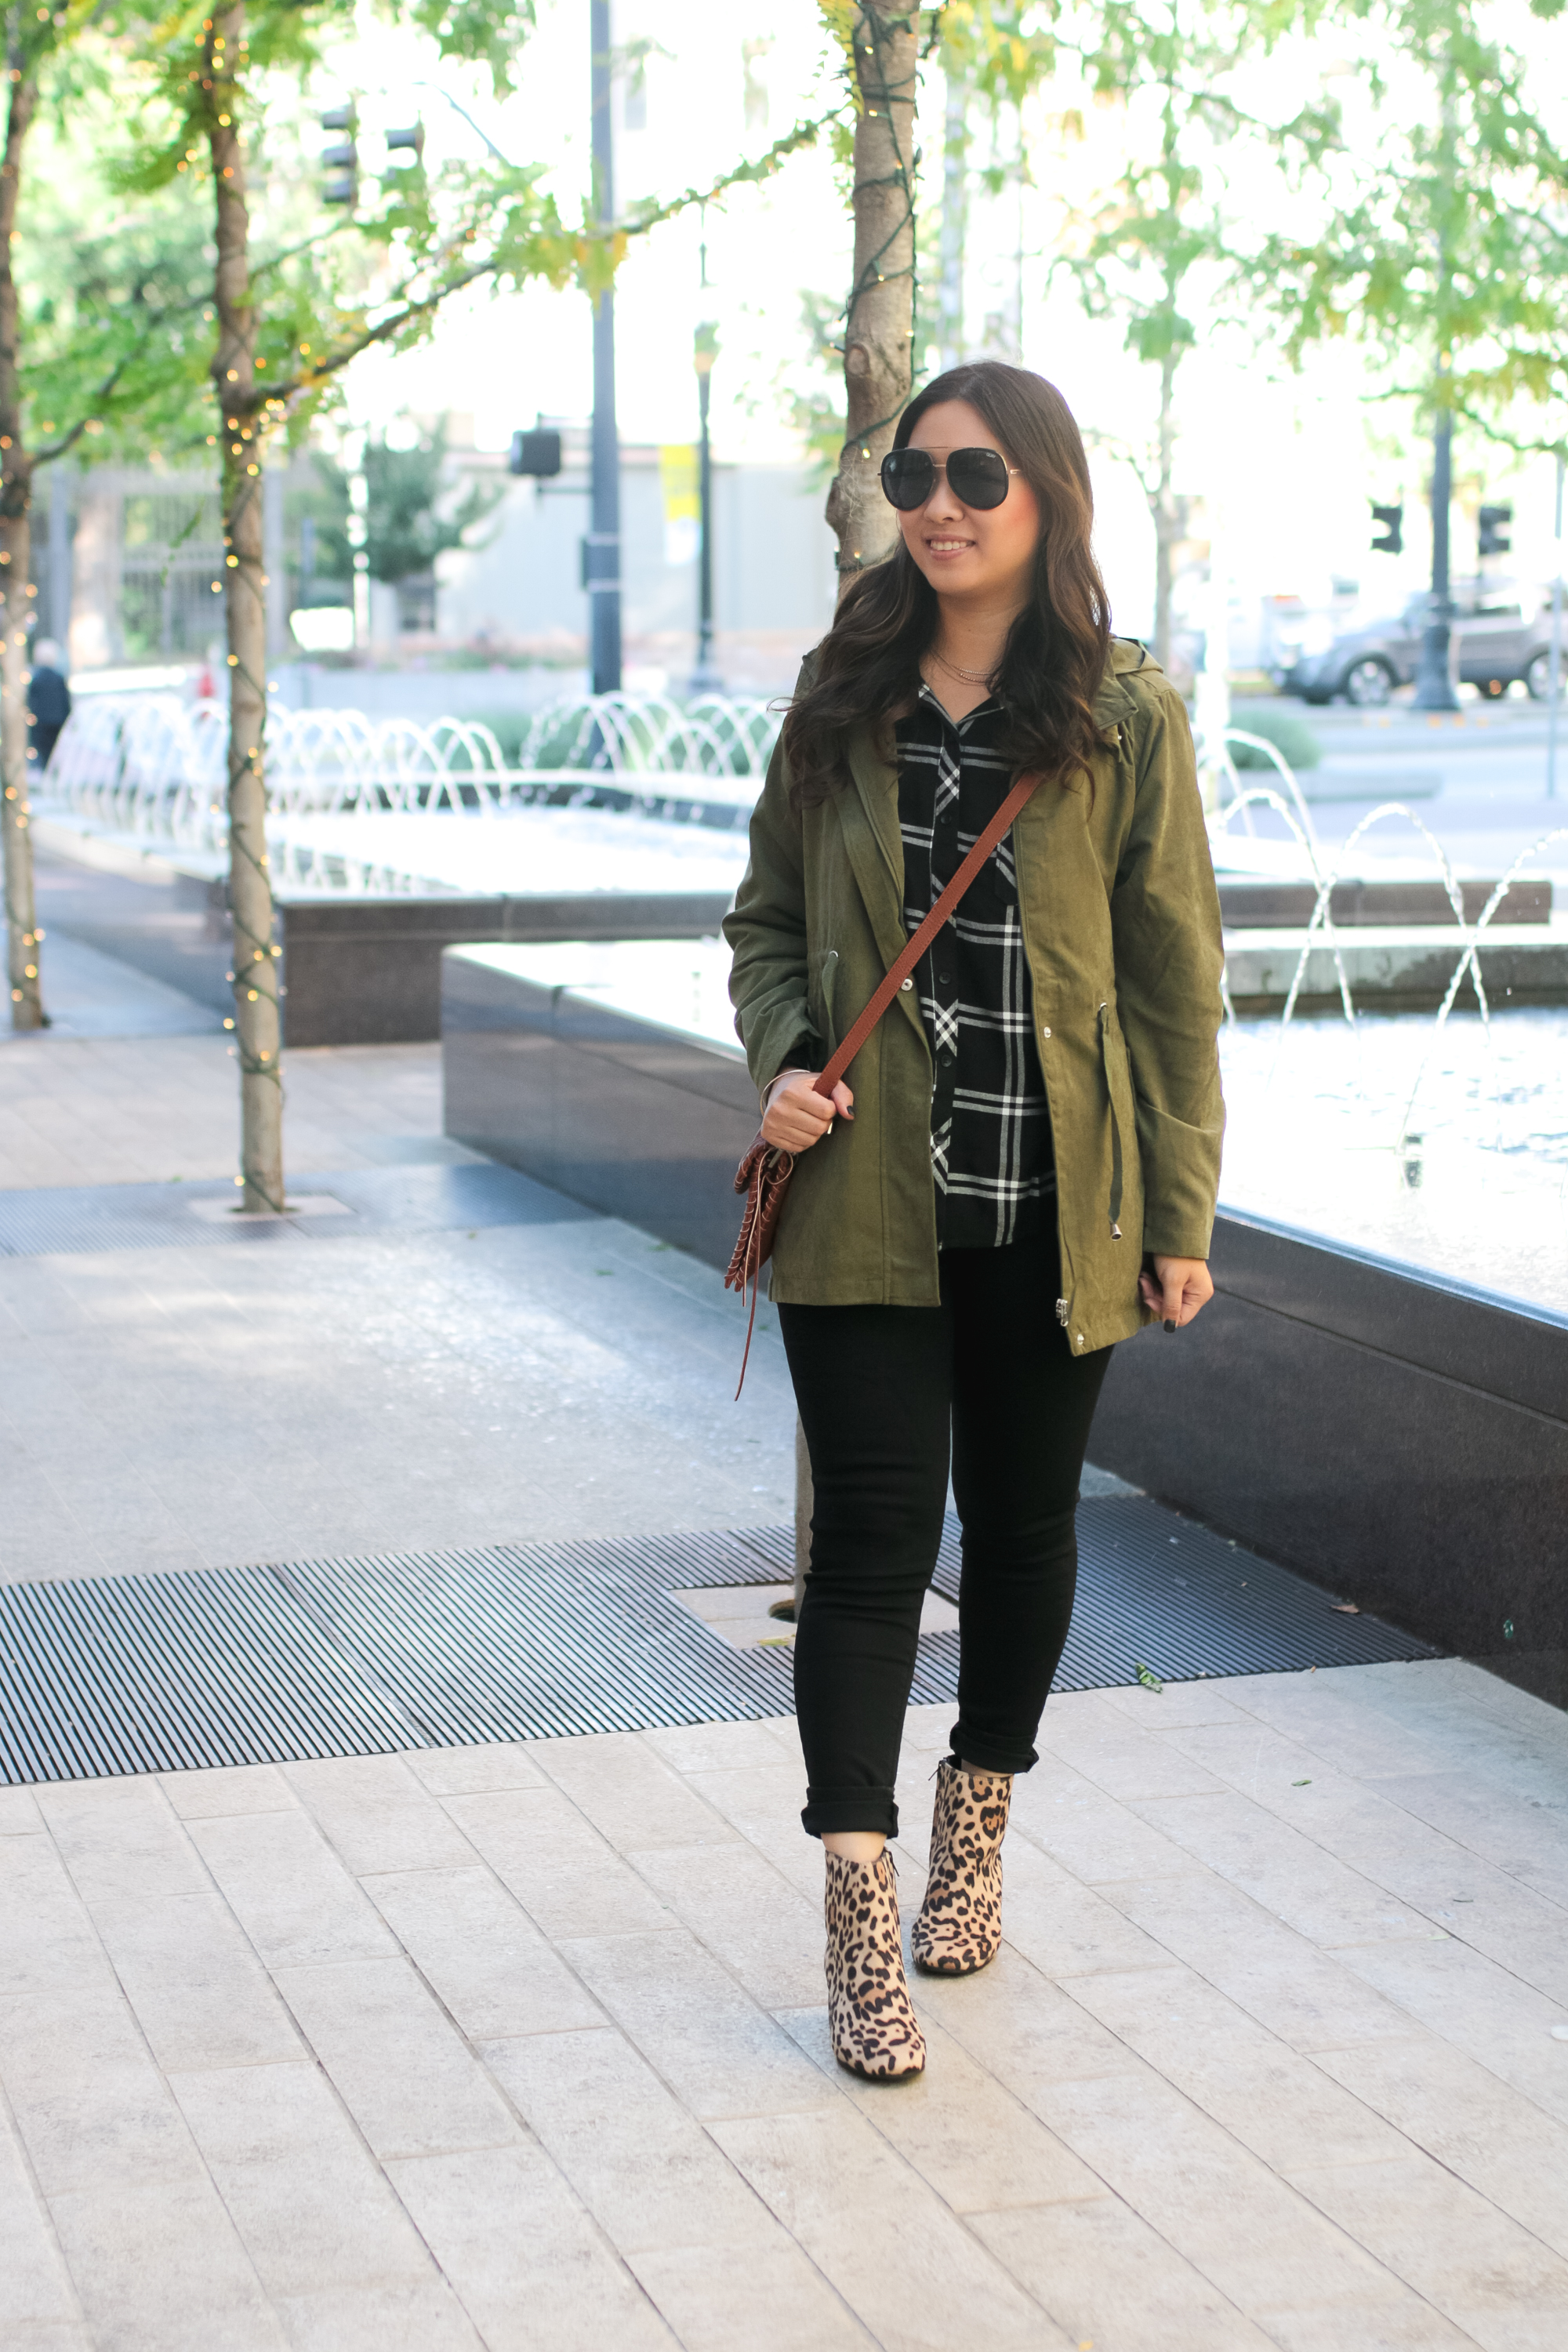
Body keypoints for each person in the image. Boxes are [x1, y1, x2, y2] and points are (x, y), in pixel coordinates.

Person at [724, 361, 1225, 2081]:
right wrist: (788, 1058)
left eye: (976, 476)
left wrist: (1180, 1211)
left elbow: (1172, 992)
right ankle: (857, 1918)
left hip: (1053, 1206)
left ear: (1047, 499)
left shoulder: (1126, 714)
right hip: (865, 1204)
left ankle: (977, 1821)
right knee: (871, 1545)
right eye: (914, 470)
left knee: (1018, 1538)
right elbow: (765, 927)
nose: (938, 501)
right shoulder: (839, 696)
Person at [27, 638, 71, 771]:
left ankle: (47, 770)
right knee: (56, 749)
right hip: (58, 721)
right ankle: (54, 771)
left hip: (42, 722)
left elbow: (32, 701)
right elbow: (65, 701)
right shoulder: (59, 677)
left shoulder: (36, 679)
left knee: (44, 752)